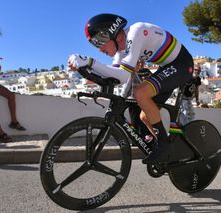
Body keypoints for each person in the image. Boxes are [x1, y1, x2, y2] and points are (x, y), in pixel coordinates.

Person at [67, 14, 194, 164]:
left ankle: (164, 145)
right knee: (145, 117)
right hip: (168, 67)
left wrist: (90, 62)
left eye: (98, 42)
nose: (99, 49)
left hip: (181, 64)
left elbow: (121, 75)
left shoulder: (136, 32)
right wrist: (84, 68)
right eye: (95, 45)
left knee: (140, 92)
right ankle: (168, 150)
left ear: (111, 32)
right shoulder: (122, 51)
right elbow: (114, 75)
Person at [121, 60, 152, 143]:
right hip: (135, 101)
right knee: (138, 121)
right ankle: (141, 139)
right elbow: (126, 88)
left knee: (138, 121)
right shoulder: (133, 74)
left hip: (138, 101)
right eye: (138, 62)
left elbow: (125, 88)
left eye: (142, 62)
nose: (140, 64)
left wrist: (122, 97)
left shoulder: (145, 72)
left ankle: (141, 139)